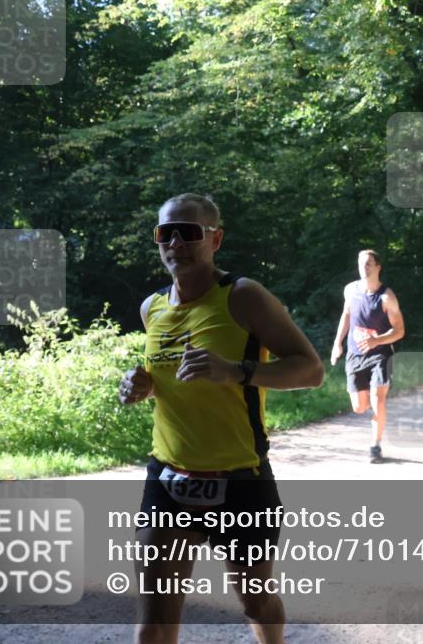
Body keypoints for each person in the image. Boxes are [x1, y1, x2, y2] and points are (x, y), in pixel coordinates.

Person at [118, 193, 324, 644]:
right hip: (169, 477)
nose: (175, 241)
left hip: (241, 480)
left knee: (255, 600)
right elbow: (171, 376)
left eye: (188, 232)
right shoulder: (151, 307)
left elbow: (311, 370)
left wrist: (237, 371)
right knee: (154, 617)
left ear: (215, 239)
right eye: (164, 233)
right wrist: (145, 384)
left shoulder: (243, 296)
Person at [330, 249, 406, 463]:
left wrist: (376, 341)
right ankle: (376, 415)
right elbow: (346, 316)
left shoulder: (386, 297)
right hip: (355, 354)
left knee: (378, 401)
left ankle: (375, 446)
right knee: (359, 407)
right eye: (361, 264)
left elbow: (400, 330)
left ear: (378, 267)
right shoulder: (350, 290)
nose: (364, 268)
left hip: (380, 355)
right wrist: (337, 344)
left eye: (369, 264)